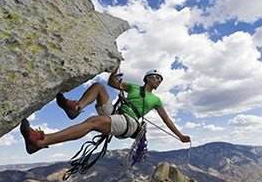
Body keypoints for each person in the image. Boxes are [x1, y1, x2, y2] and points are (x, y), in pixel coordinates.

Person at [20, 66, 191, 154]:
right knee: (99, 87)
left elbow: (166, 119)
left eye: (160, 79)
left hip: (130, 123)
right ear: (147, 78)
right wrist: (115, 70)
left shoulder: (156, 100)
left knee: (94, 122)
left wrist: (180, 135)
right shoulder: (132, 87)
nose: (158, 80)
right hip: (117, 115)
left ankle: (41, 142)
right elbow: (111, 83)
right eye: (156, 77)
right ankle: (76, 108)